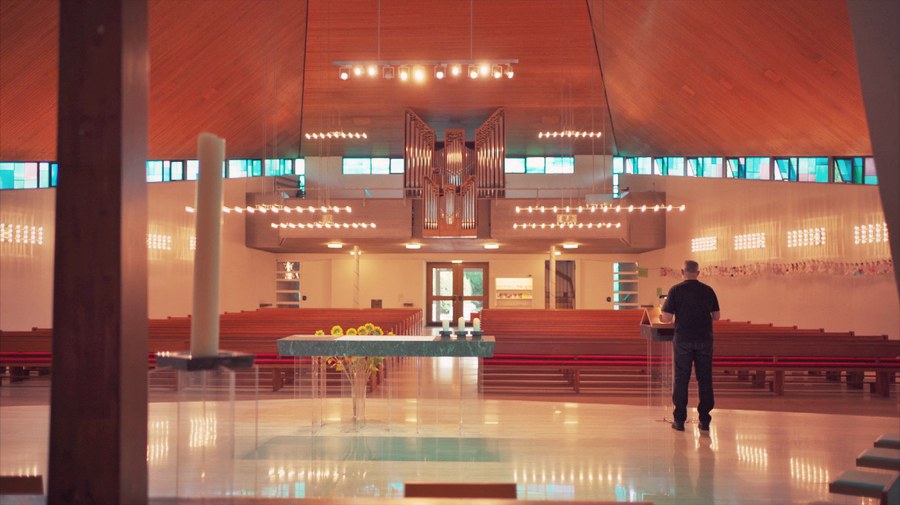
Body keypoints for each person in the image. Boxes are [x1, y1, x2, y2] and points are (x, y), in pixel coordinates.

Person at [660, 260, 720, 432]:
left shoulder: (675, 290)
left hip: (683, 339)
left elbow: (667, 318)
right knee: (705, 379)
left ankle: (679, 420)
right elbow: (716, 316)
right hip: (704, 339)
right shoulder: (708, 290)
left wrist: (662, 315)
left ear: (682, 272)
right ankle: (705, 420)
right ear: (698, 273)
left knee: (681, 379)